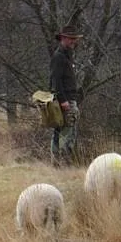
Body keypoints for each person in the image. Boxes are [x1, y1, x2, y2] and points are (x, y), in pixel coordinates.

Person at [49, 23, 84, 166]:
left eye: (74, 38)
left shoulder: (66, 56)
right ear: (63, 38)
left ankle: (58, 164)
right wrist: (63, 101)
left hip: (67, 99)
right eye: (70, 38)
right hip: (65, 102)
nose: (73, 41)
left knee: (60, 133)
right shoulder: (59, 57)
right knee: (67, 135)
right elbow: (55, 81)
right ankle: (64, 165)